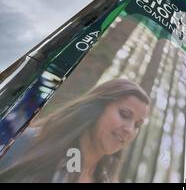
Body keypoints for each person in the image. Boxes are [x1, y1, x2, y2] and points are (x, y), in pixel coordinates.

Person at [0, 78, 150, 183]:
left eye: (138, 125)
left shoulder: (108, 179)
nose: (129, 130)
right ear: (98, 107)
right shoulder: (29, 144)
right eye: (124, 114)